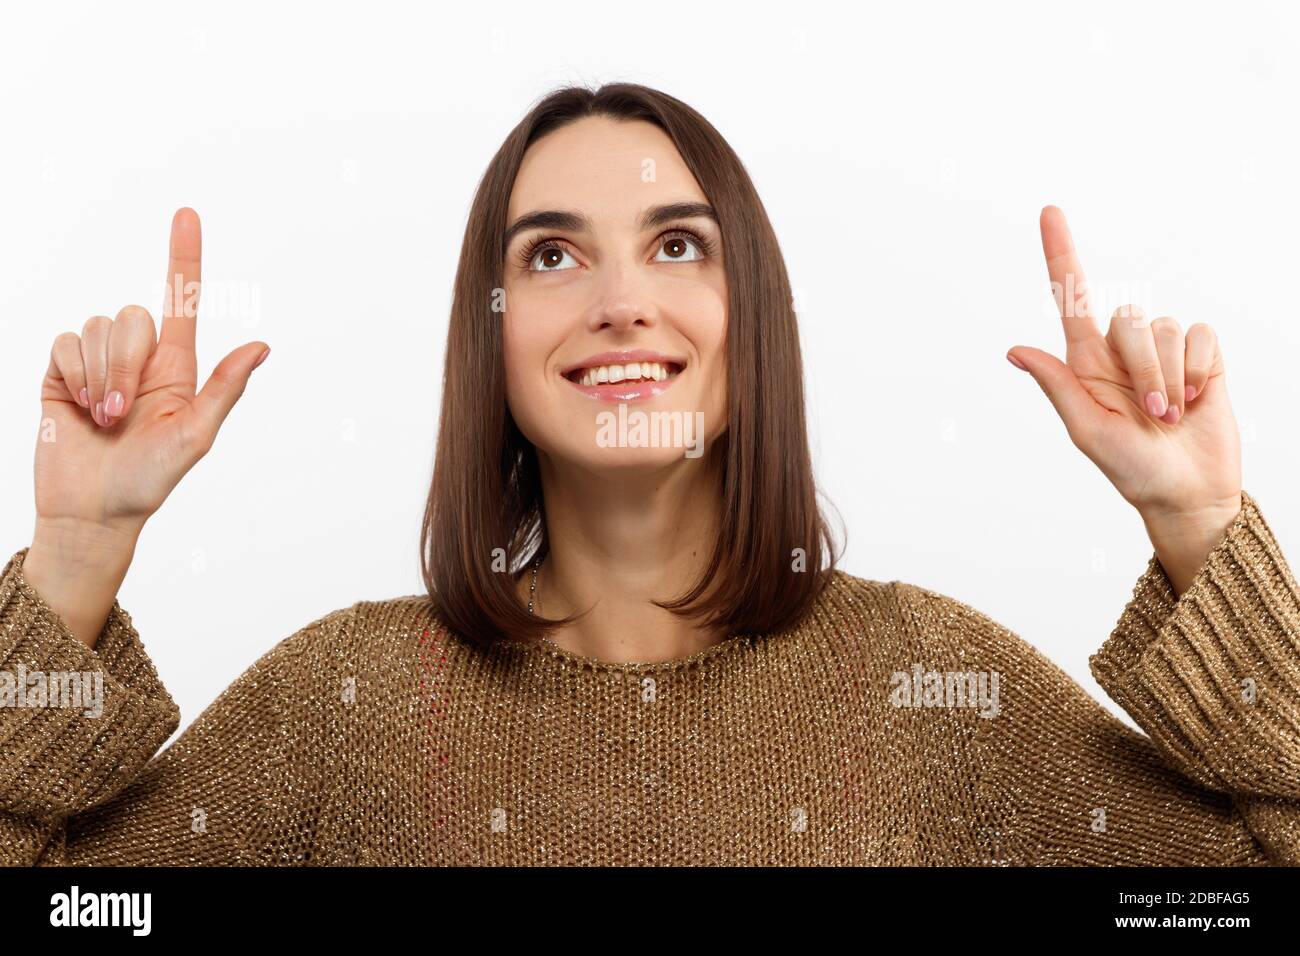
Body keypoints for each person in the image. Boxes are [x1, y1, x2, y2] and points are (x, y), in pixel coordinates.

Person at [2, 83, 1296, 866]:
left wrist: (1197, 521)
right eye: (553, 257)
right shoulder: (344, 715)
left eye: (677, 244)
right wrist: (72, 558)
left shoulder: (927, 696)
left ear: (756, 315)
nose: (621, 301)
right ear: (491, 331)